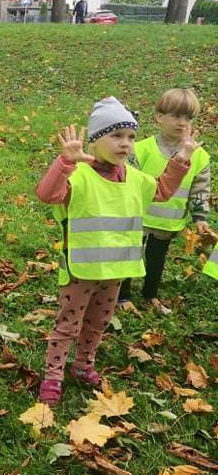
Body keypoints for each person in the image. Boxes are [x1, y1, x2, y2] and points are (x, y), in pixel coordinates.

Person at [35, 96, 195, 406]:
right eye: (116, 135)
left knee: (99, 322)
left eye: (131, 137)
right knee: (68, 325)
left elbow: (162, 190)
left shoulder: (135, 179)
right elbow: (47, 194)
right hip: (81, 271)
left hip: (115, 271)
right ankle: (53, 376)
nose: (125, 143)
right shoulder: (79, 175)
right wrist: (65, 163)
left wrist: (182, 158)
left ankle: (83, 366)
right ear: (94, 140)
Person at [118, 87, 211, 313]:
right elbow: (127, 181)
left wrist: (200, 217)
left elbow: (200, 189)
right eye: (176, 116)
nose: (182, 123)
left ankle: (150, 295)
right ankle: (122, 296)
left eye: (188, 118)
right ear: (159, 117)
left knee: (156, 260)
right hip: (137, 219)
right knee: (130, 255)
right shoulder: (141, 149)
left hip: (167, 223)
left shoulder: (199, 157)